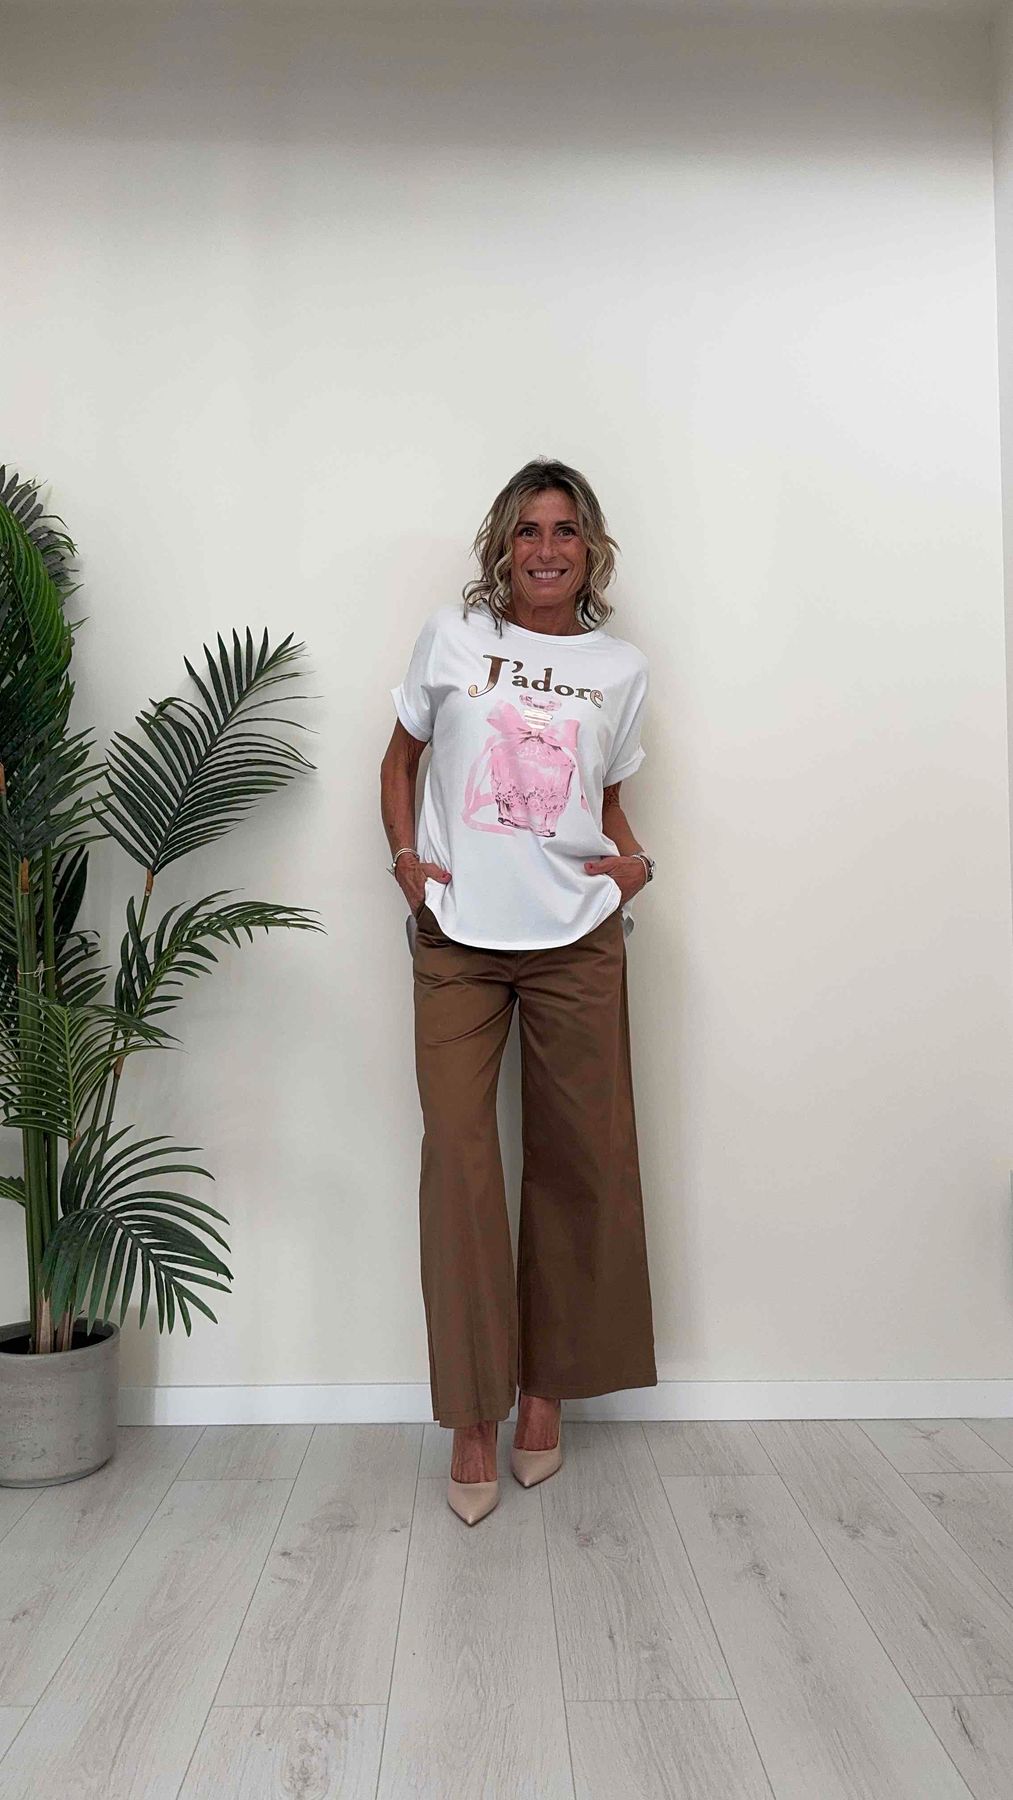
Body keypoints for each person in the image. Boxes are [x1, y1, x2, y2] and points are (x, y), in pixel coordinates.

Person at [380, 457, 658, 1525]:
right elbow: (398, 763)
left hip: (577, 939)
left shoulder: (619, 668)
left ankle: (544, 1394)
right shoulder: (452, 639)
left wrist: (632, 866)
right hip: (456, 935)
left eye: (566, 530)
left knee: (580, 1162)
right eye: (529, 530)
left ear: (590, 550)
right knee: (458, 1162)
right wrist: (408, 864)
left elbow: (604, 800)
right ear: (502, 546)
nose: (547, 548)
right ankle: (471, 1413)